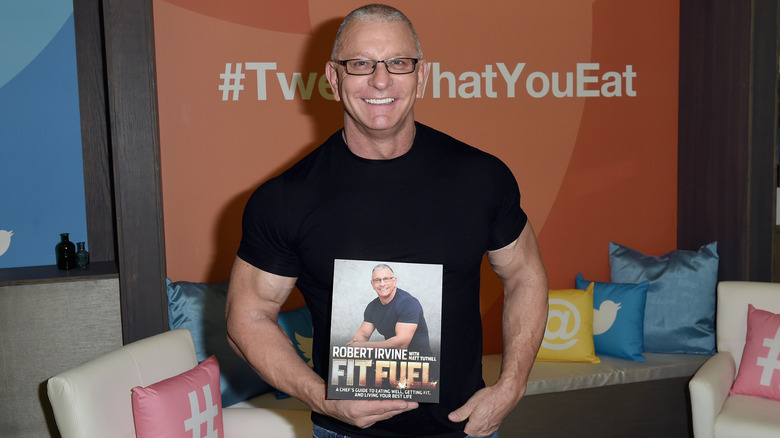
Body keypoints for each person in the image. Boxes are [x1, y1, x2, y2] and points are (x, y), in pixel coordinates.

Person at [226, 4, 549, 438]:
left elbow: (525, 274)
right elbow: (246, 317)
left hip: (466, 429)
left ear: (423, 75)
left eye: (398, 63)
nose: (381, 80)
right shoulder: (285, 198)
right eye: (360, 64)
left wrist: (512, 385)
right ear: (333, 78)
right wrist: (321, 396)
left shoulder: (481, 177)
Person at [347, 264, 433, 357]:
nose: (382, 284)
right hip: (391, 360)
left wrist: (364, 346)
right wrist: (355, 345)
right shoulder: (372, 307)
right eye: (377, 280)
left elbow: (401, 344)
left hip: (419, 362)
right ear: (372, 284)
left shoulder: (408, 303)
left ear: (394, 281)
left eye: (386, 279)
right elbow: (363, 334)